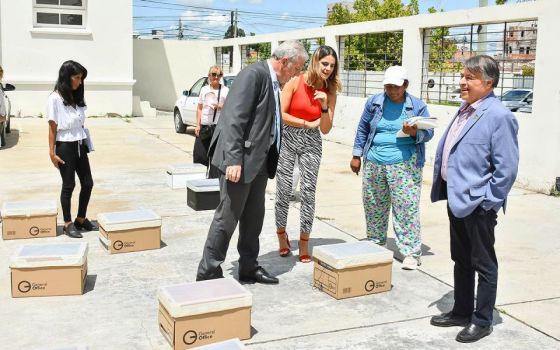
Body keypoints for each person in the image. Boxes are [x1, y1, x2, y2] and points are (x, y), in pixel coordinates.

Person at [196, 41, 308, 284]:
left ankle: (248, 266)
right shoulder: (253, 75)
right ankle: (208, 272)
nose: (298, 74)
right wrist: (234, 159)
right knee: (227, 217)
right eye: (297, 68)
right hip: (240, 162)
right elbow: (234, 119)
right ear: (285, 61)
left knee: (253, 217)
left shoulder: (273, 81)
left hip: (258, 162)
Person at [430, 55, 519, 343]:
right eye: (462, 76)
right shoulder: (465, 109)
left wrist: (488, 201)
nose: (462, 82)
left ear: (488, 82)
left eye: (469, 78)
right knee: (461, 259)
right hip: (456, 199)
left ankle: (482, 320)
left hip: (479, 203)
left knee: (483, 263)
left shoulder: (499, 116)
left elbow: (506, 167)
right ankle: (461, 310)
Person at [350, 66, 434, 270]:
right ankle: (376, 243)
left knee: (406, 207)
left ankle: (411, 252)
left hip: (404, 164)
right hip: (374, 162)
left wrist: (414, 132)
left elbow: (429, 133)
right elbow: (363, 128)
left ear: (405, 85)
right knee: (374, 206)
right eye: (388, 86)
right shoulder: (375, 102)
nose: (391, 90)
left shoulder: (417, 106)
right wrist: (356, 155)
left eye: (396, 86)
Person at [274, 45, 341, 263]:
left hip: (312, 140)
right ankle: (282, 236)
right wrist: (303, 122)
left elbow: (325, 128)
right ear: (315, 62)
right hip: (289, 136)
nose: (328, 69)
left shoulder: (330, 90)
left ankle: (304, 241)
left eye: (332, 65)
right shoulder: (296, 81)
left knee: (308, 192)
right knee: (284, 189)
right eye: (324, 64)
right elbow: (281, 114)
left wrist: (323, 106)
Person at [47, 60, 97, 238]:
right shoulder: (54, 98)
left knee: (88, 183)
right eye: (77, 77)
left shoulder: (77, 97)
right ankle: (68, 223)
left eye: (81, 78)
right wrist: (52, 153)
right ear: (66, 77)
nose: (80, 81)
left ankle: (81, 219)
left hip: (79, 143)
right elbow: (52, 127)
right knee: (69, 185)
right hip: (64, 145)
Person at [193, 65, 229, 177]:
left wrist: (222, 107)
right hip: (204, 127)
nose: (216, 77)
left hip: (217, 129)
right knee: (200, 156)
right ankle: (199, 181)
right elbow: (199, 108)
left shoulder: (225, 90)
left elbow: (230, 108)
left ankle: (213, 184)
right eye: (214, 74)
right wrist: (197, 125)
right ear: (209, 75)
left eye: (219, 75)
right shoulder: (204, 90)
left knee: (215, 159)